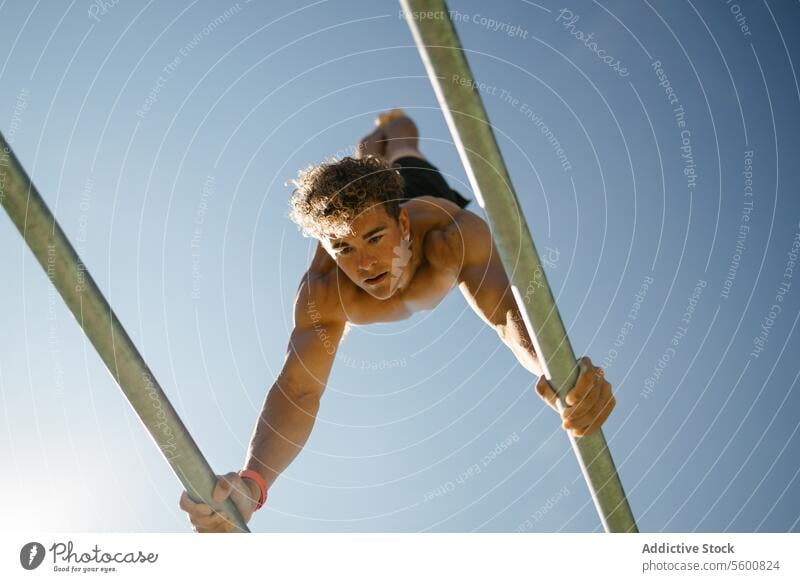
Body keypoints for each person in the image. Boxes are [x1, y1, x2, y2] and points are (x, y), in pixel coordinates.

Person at [179, 109, 615, 532]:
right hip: (376, 201)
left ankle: (390, 127)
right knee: (373, 159)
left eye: (374, 239)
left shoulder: (451, 237)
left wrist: (560, 372)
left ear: (401, 223)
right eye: (345, 250)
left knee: (401, 147)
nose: (366, 263)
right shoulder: (324, 291)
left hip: (423, 193)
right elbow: (299, 388)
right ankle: (370, 151)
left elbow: (505, 312)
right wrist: (253, 484)